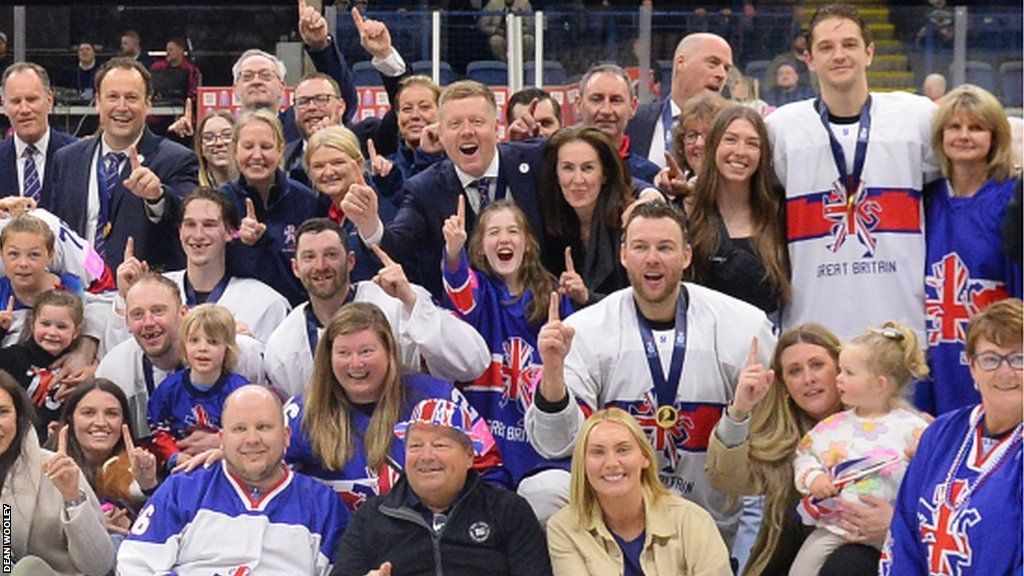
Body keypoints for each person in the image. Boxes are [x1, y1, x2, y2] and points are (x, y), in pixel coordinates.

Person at [527, 201, 776, 547]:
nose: (653, 259)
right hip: (617, 517)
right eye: (641, 247)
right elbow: (555, 444)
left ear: (687, 256)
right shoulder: (586, 329)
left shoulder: (743, 325)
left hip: (711, 522)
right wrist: (552, 372)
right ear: (624, 254)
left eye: (665, 247)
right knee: (541, 490)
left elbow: (774, 439)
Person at [765, 4, 939, 341]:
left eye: (850, 44)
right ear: (809, 59)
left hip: (902, 332)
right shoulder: (781, 129)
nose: (839, 55)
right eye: (826, 47)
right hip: (813, 333)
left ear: (870, 53)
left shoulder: (916, 118)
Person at [705, 323, 894, 575]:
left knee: (851, 560)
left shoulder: (888, 427)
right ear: (784, 386)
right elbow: (725, 479)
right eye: (795, 371)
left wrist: (893, 524)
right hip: (786, 563)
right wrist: (740, 409)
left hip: (868, 559)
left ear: (841, 369)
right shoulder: (780, 443)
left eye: (817, 365)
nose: (808, 379)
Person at [342, 80, 547, 300]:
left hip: (538, 307)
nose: (467, 131)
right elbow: (398, 248)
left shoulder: (535, 162)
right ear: (441, 133)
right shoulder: (425, 188)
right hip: (461, 320)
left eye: (477, 122)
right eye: (455, 124)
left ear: (496, 128)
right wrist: (370, 224)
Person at [285, 302, 501, 510]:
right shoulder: (301, 413)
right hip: (332, 542)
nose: (356, 363)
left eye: (366, 351)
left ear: (389, 351)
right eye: (343, 353)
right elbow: (268, 482)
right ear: (328, 358)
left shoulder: (437, 398)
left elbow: (491, 469)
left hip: (425, 539)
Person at [117, 385, 349, 575]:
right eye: (239, 429)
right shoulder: (184, 487)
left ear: (286, 437)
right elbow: (133, 565)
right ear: (222, 439)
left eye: (264, 427)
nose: (252, 439)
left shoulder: (323, 505)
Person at [442, 199, 572, 519]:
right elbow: (460, 291)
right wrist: (454, 253)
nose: (504, 239)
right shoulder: (481, 290)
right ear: (480, 247)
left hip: (538, 444)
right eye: (493, 232)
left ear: (527, 243)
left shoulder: (551, 294)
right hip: (490, 434)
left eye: (513, 231)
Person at [263, 218, 489, 399]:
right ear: (295, 267)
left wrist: (411, 300)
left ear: (350, 261)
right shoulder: (283, 344)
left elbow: (473, 363)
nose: (320, 266)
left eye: (331, 255)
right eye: (309, 257)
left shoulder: (395, 303)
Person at [332, 396, 552, 576]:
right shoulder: (372, 516)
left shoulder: (508, 510)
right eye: (415, 446)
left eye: (440, 445)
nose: (427, 456)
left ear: (469, 456)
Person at [882, 298, 1022, 576]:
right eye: (991, 359)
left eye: (1019, 358)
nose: (1005, 372)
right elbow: (906, 531)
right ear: (972, 367)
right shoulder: (942, 434)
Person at [789, 322, 930, 576]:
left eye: (849, 373)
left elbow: (932, 484)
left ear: (880, 383)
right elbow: (805, 457)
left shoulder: (914, 428)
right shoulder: (832, 427)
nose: (838, 378)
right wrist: (814, 478)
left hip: (895, 534)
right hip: (837, 529)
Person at [919, 84, 1022, 416]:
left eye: (976, 127)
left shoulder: (1011, 201)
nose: (964, 136)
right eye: (955, 127)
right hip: (933, 355)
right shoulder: (924, 199)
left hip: (996, 355)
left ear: (995, 137)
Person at [42, 57, 199, 272]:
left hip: (141, 294)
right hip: (76, 292)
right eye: (113, 97)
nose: (122, 107)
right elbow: (54, 228)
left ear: (148, 103)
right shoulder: (67, 160)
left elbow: (188, 216)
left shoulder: (176, 159)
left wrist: (158, 197)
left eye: (132, 98)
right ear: (98, 101)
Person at [547, 407, 732, 576]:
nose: (611, 463)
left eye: (623, 450)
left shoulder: (694, 522)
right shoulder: (564, 528)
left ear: (645, 458)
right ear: (583, 465)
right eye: (597, 452)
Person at [96, 273, 264, 438]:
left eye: (158, 311)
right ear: (127, 322)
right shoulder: (114, 368)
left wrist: (225, 443)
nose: (148, 323)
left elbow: (269, 427)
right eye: (137, 314)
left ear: (183, 313)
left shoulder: (243, 352)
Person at [115, 188, 291, 345]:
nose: (198, 235)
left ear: (230, 232)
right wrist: (127, 297)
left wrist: (247, 349)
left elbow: (274, 372)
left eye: (209, 225)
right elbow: (123, 351)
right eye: (190, 225)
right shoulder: (154, 292)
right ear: (179, 231)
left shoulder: (266, 303)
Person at [0, 374, 115, 576]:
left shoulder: (57, 469)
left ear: (18, 417)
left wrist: (73, 498)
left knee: (28, 570)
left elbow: (101, 566)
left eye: (2, 412)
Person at [686, 105, 790, 318]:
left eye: (752, 144)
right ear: (714, 145)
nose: (740, 152)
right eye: (731, 140)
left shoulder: (779, 213)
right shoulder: (688, 210)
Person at [220, 110, 329, 305]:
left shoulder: (306, 201)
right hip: (238, 314)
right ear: (235, 152)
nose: (257, 155)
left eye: (266, 146)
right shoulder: (221, 202)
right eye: (248, 147)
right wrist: (242, 243)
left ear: (280, 150)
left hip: (296, 310)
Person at [48, 378, 157, 540]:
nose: (100, 422)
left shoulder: (141, 463)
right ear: (70, 418)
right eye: (88, 413)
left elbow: (161, 525)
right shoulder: (46, 463)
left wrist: (149, 486)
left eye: (111, 414)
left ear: (124, 422)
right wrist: (91, 526)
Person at [146, 304, 249, 469]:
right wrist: (174, 456)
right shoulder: (169, 390)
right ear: (184, 346)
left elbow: (249, 433)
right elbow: (158, 429)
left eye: (213, 342)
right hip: (182, 468)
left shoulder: (241, 392)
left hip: (228, 468)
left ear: (227, 348)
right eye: (194, 340)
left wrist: (225, 448)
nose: (202, 349)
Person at [538, 126, 631, 306]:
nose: (578, 179)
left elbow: (638, 300)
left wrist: (587, 297)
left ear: (604, 174)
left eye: (587, 168)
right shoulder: (552, 221)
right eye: (568, 168)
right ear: (556, 174)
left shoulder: (627, 222)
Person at [626, 32, 733, 167]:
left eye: (726, 68)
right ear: (681, 63)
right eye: (713, 63)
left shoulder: (731, 127)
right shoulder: (635, 120)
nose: (722, 75)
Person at [0, 290, 84, 439]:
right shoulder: (13, 357)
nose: (52, 332)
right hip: (19, 443)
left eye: (62, 326)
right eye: (45, 324)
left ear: (76, 331)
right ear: (32, 324)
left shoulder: (81, 367)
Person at [0, 214, 85, 347]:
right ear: (1, 253)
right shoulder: (1, 292)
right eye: (13, 254)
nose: (23, 263)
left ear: (50, 255)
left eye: (34, 255)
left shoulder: (71, 287)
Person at [0, 63, 78, 202]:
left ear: (49, 101)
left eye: (32, 99)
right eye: (16, 101)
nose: (24, 109)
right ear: (4, 106)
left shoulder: (78, 157)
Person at [656, 93, 729, 210]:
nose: (699, 143)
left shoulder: (736, 189)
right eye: (692, 135)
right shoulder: (671, 189)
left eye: (708, 135)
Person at [150, 37, 201, 103]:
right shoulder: (157, 67)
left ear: (180, 50)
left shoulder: (192, 69)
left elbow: (194, 91)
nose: (167, 53)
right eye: (167, 50)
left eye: (171, 50)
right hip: (160, 104)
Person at [194, 111, 237, 188]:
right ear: (200, 148)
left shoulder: (253, 184)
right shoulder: (192, 187)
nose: (218, 143)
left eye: (227, 135)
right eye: (209, 138)